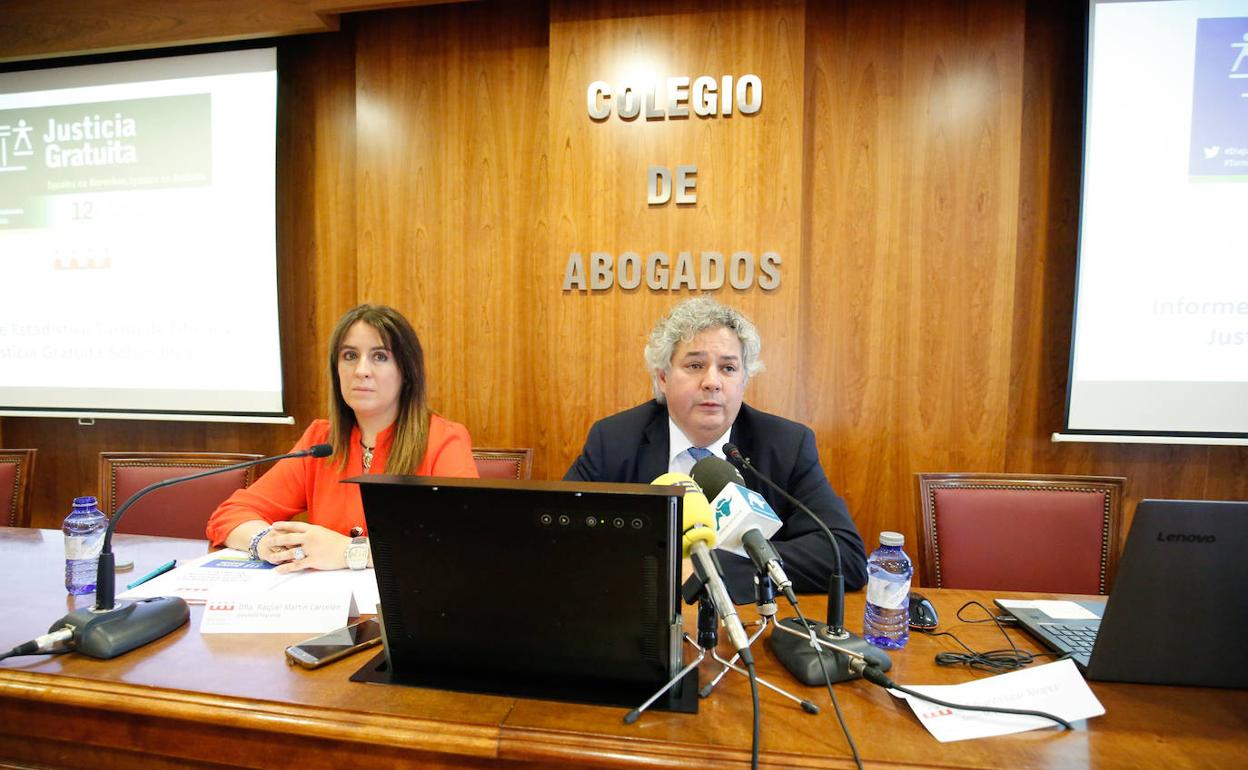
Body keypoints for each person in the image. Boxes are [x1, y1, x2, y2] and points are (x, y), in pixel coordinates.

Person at [564, 297, 867, 602]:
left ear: (743, 380)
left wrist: (712, 570)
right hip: (641, 612)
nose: (712, 382)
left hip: (748, 620)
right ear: (663, 377)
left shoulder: (786, 445)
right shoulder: (614, 440)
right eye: (695, 365)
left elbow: (845, 555)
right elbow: (561, 538)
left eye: (728, 368)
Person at [206, 304, 478, 572]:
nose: (361, 370)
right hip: (328, 599)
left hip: (404, 598)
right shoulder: (321, 441)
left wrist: (351, 551)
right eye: (350, 355)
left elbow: (465, 542)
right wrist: (264, 541)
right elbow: (231, 514)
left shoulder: (443, 440)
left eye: (380, 356)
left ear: (406, 372)